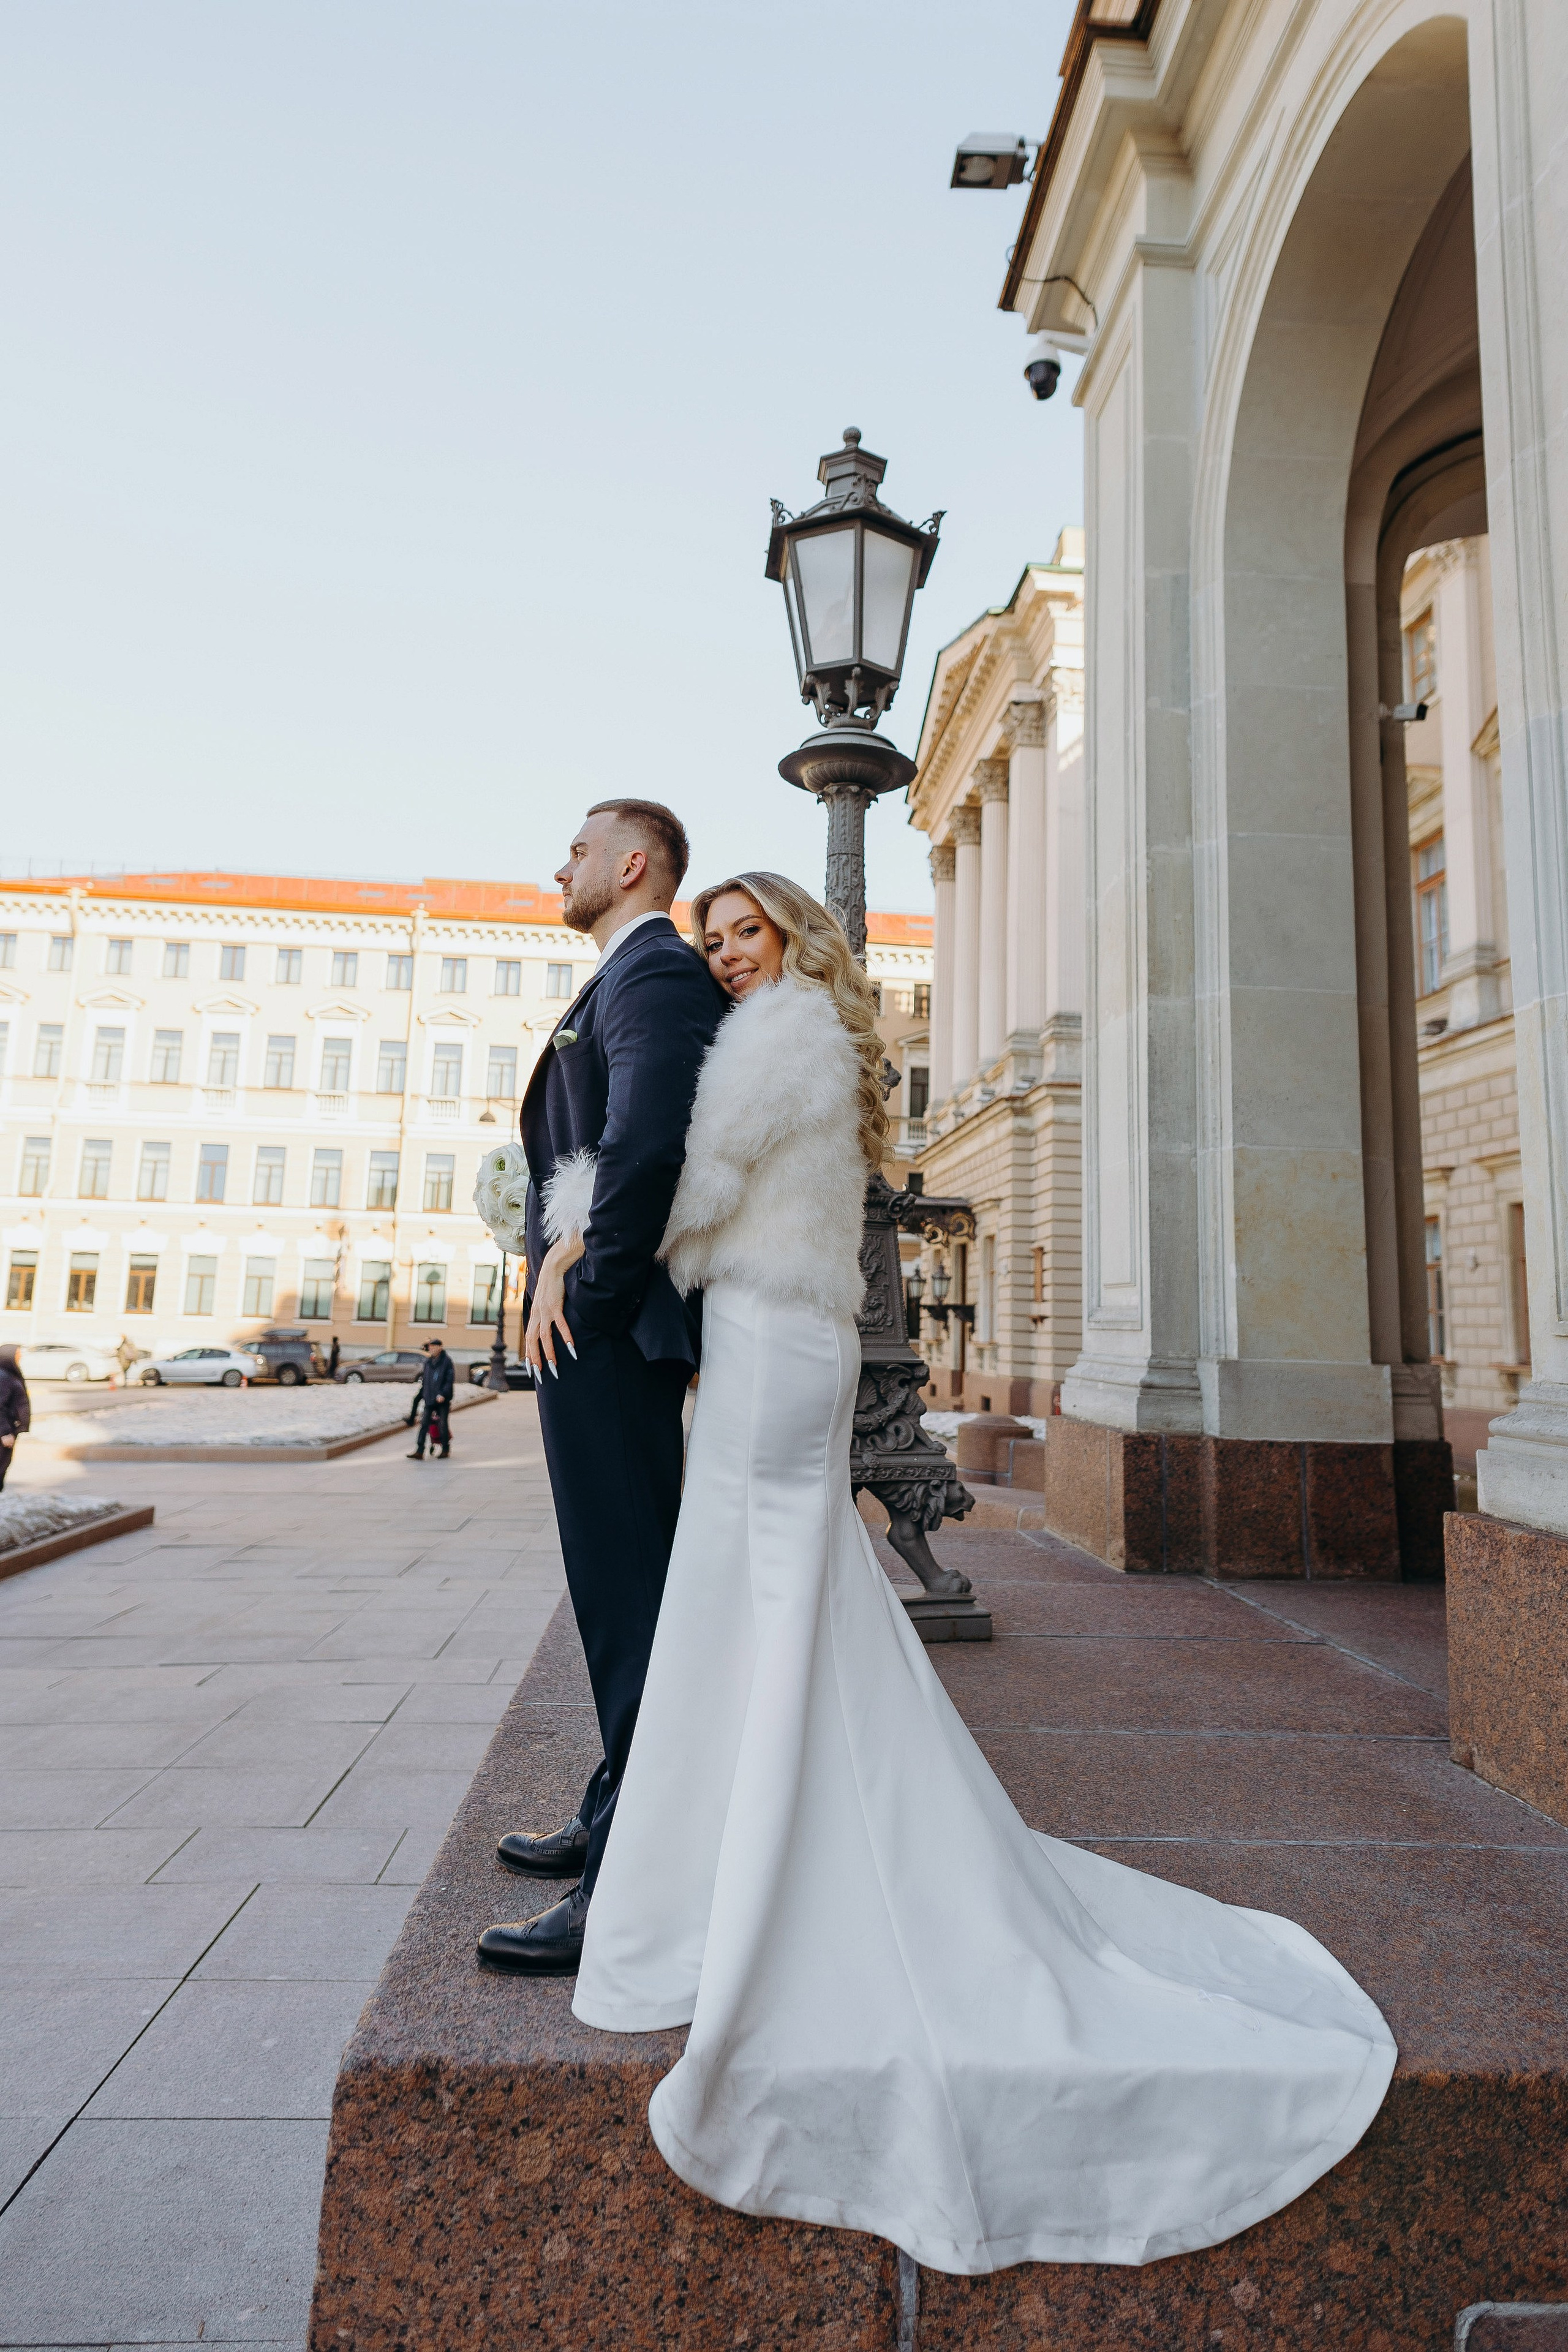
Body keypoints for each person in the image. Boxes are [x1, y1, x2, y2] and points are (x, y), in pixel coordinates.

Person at [500, 870, 1397, 2276]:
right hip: (773, 1340)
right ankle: (762, 1837)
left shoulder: (780, 1034)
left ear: (796, 939)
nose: (728, 955)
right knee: (783, 1601)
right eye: (715, 938)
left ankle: (765, 1863)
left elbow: (681, 1188)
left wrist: (570, 1233)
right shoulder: (795, 1031)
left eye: (747, 932)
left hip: (774, 1349)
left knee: (770, 1594)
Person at [477, 800, 727, 1975]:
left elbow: (646, 1141)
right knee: (615, 1588)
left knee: (629, 1596)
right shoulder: (625, 977)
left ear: (632, 866)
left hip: (611, 1332)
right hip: (599, 1323)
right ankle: (614, 1801)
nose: (558, 866)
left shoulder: (656, 974)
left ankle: (632, 1874)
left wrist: (592, 1288)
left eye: (575, 849)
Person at [405, 1339, 454, 1459]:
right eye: (430, 1347)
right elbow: (426, 1381)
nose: (431, 1349)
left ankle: (445, 1449)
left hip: (442, 1400)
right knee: (424, 1424)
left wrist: (443, 1394)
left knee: (443, 1424)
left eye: (433, 1347)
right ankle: (420, 1450)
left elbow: (449, 1380)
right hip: (430, 1398)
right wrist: (424, 1394)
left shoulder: (447, 1362)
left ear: (440, 1348)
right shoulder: (428, 1362)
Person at [0, 1345, 29, 1490]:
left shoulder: (8, 1374)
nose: (20, 1357)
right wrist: (4, 1432)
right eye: (18, 1354)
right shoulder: (3, 1377)